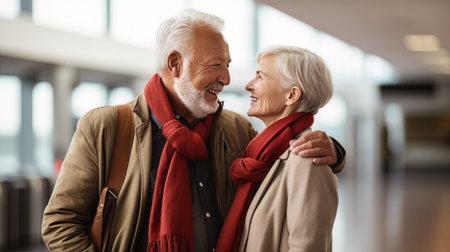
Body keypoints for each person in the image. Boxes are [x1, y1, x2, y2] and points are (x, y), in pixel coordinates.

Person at [42, 9, 344, 251]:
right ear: (175, 64)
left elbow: (284, 154)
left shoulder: (236, 129)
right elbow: (61, 222)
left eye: (227, 65)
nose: (226, 78)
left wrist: (336, 152)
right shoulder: (106, 126)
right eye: (216, 65)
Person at [216, 45, 339, 252]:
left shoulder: (306, 160)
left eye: (260, 77)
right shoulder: (264, 152)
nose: (248, 85)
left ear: (291, 95)